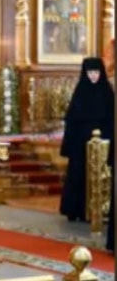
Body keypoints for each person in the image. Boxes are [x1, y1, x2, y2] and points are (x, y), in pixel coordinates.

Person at [58, 58, 114, 222]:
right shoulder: (80, 92)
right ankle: (76, 210)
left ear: (101, 73)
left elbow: (112, 119)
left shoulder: (107, 93)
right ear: (85, 73)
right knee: (79, 176)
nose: (93, 76)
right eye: (90, 73)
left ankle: (102, 211)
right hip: (81, 147)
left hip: (103, 145)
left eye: (96, 72)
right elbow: (72, 121)